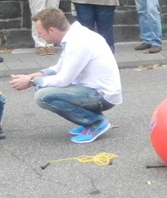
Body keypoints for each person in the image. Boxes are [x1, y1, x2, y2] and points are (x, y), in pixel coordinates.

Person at [9, 8, 123, 144]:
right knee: (43, 86)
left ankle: (95, 122)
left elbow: (63, 80)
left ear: (52, 30)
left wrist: (31, 81)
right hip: (94, 90)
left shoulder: (78, 43)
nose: (39, 36)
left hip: (102, 96)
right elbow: (59, 67)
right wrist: (33, 76)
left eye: (40, 32)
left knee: (42, 96)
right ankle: (90, 120)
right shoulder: (76, 36)